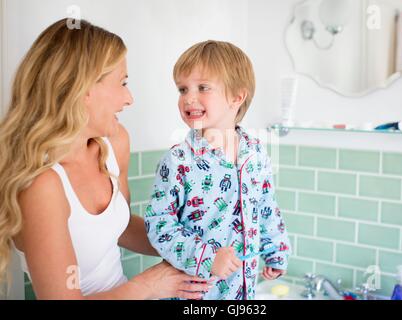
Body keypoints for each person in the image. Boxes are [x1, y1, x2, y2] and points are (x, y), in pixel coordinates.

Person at [0, 18, 211, 300]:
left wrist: (189, 243)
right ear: (83, 89)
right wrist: (150, 284)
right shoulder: (41, 185)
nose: (129, 98)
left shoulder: (115, 142)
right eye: (122, 83)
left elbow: (121, 228)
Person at [144, 40, 292, 300]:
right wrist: (206, 257)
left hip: (244, 292)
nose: (189, 98)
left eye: (203, 87)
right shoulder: (178, 162)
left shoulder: (256, 154)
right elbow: (159, 224)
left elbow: (266, 207)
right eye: (182, 89)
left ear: (237, 96)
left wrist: (275, 249)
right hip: (196, 295)